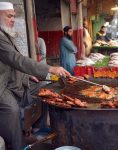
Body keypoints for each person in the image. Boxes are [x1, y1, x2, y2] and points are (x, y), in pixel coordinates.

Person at [0, 2, 70, 150]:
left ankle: (39, 128)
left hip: (15, 80)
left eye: (14, 16)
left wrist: (26, 76)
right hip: (2, 85)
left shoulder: (6, 33)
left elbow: (12, 65)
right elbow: (16, 59)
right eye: (9, 16)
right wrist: (50, 68)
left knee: (45, 88)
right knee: (11, 109)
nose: (13, 19)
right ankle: (17, 145)